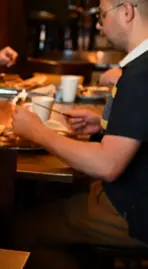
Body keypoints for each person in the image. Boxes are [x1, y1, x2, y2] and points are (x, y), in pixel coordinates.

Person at [11, 0, 148, 268]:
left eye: (102, 14)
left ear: (127, 12)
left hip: (135, 211)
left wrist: (38, 132)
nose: (99, 24)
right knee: (50, 197)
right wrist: (104, 124)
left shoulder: (140, 74)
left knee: (19, 229)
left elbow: (107, 164)